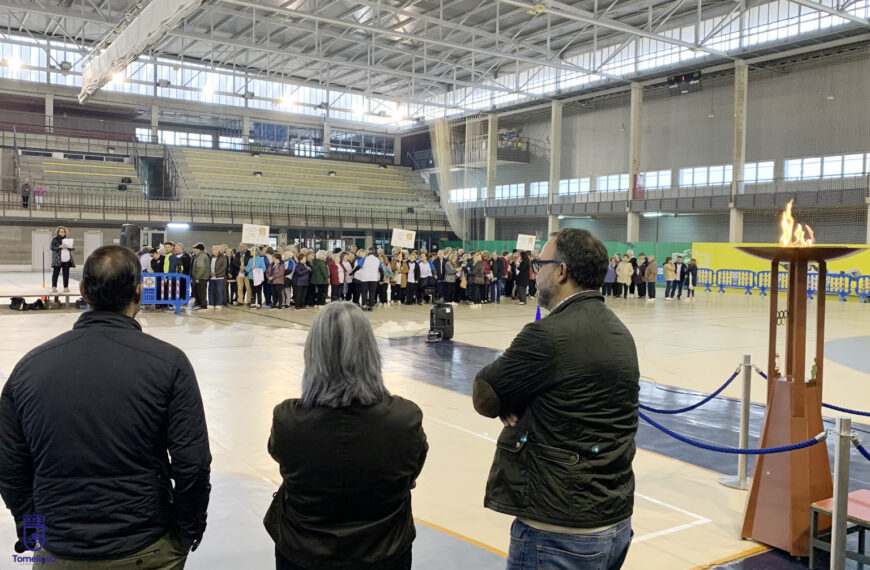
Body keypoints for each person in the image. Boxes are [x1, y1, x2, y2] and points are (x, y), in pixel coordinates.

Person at [0, 245, 211, 568]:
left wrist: (36, 530)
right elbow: (192, 464)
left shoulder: (30, 368)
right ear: (139, 294)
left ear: (83, 291)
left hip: (59, 546)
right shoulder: (169, 364)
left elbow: (11, 467)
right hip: (145, 546)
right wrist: (186, 530)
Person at [471, 228, 638, 569]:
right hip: (614, 518)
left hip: (559, 527)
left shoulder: (546, 335)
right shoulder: (621, 332)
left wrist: (514, 400)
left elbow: (485, 394)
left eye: (539, 264)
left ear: (561, 271)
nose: (535, 273)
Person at [264, 302, 428, 570]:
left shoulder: (288, 419)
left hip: (304, 551)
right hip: (384, 550)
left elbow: (279, 455)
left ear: (313, 355)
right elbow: (412, 471)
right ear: (371, 354)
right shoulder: (404, 418)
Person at [49, 226, 75, 293]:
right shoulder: (55, 239)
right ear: (58, 232)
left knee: (66, 274)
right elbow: (52, 248)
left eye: (63, 232)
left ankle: (66, 287)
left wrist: (69, 247)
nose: (62, 233)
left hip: (66, 259)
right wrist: (59, 247)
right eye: (61, 232)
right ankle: (54, 287)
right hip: (58, 259)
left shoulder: (67, 239)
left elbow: (72, 248)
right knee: (55, 274)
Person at [191, 243, 211, 310]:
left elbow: (201, 268)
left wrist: (197, 277)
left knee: (202, 292)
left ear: (198, 249)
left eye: (195, 249)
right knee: (199, 292)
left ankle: (203, 306)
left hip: (201, 278)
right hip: (200, 277)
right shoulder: (199, 255)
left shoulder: (202, 256)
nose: (193, 250)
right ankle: (199, 304)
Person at [208, 245, 226, 310]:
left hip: (219, 277)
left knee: (219, 291)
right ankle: (211, 303)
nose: (212, 250)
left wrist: (216, 273)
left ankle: (219, 304)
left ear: (218, 250)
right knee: (210, 290)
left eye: (214, 249)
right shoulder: (211, 257)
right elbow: (208, 265)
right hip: (211, 277)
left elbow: (223, 267)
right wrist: (210, 273)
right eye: (212, 249)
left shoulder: (223, 257)